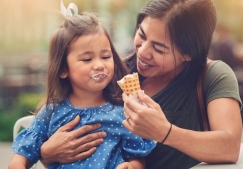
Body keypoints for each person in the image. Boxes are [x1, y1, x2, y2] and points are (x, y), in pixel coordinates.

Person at [39, 0, 243, 169]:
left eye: (159, 48)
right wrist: (47, 153)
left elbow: (229, 147)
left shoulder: (212, 76)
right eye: (142, 35)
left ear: (188, 54)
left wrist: (165, 132)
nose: (143, 52)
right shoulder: (115, 72)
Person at [8, 11, 155, 169]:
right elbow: (18, 160)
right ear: (63, 69)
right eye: (87, 59)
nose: (99, 65)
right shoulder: (51, 112)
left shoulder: (123, 110)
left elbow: (138, 158)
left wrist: (131, 166)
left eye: (105, 56)